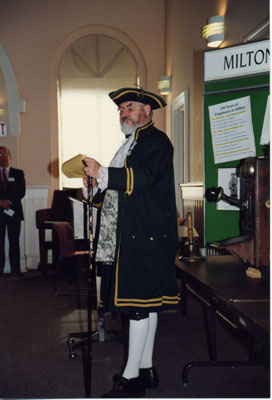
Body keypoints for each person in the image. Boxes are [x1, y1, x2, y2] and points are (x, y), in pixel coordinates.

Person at [83, 87, 180, 398]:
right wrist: (96, 181)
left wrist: (105, 174)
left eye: (129, 107)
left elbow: (144, 178)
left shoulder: (156, 141)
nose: (123, 113)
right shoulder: (131, 144)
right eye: (121, 109)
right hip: (135, 234)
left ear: (147, 111)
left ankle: (131, 378)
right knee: (146, 305)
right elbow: (115, 193)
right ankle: (147, 368)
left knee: (138, 305)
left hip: (146, 236)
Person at [0, 146, 26, 277]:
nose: (3, 158)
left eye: (5, 155)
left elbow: (21, 192)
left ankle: (16, 270)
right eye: (0, 156)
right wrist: (1, 202)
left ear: (10, 157)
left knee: (14, 241)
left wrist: (8, 201)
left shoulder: (18, 173)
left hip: (14, 212)